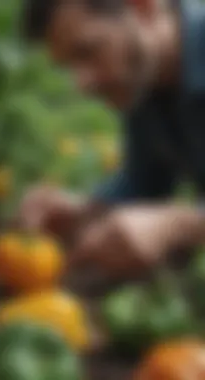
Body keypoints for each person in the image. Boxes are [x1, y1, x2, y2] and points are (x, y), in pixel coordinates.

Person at [19, 0, 205, 279]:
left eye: (88, 51)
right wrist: (85, 210)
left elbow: (168, 219)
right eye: (68, 66)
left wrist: (177, 225)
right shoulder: (146, 80)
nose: (81, 83)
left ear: (142, 7)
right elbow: (145, 185)